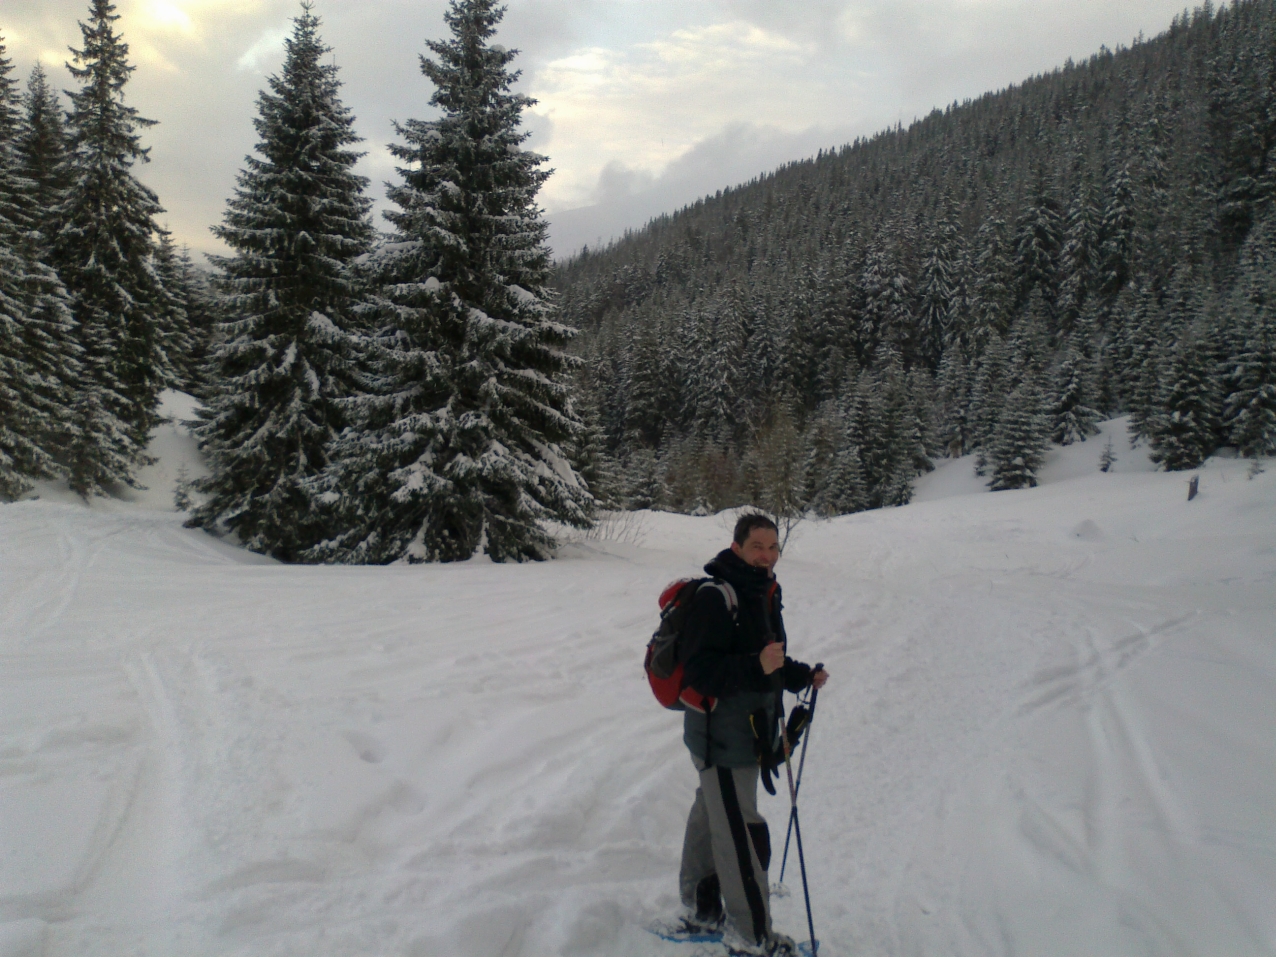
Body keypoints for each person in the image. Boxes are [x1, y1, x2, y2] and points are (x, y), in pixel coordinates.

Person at [669, 512, 829, 957]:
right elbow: (701, 671)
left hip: (748, 730)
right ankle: (751, 935)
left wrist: (800, 676)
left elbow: (767, 657)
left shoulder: (764, 591)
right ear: (737, 547)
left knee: (712, 814)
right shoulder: (714, 597)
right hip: (719, 734)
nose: (766, 555)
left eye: (773, 547)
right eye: (757, 546)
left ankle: (702, 908)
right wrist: (757, 666)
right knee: (738, 830)